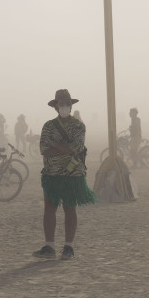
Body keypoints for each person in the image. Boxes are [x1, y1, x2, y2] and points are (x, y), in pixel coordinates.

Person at [33, 89, 96, 260]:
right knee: (49, 209)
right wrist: (65, 149)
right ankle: (49, 246)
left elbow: (76, 148)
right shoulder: (48, 125)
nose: (65, 107)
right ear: (56, 106)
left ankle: (69, 247)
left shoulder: (79, 126)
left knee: (70, 208)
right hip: (51, 175)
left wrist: (55, 144)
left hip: (72, 175)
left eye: (67, 104)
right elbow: (44, 150)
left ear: (71, 106)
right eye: (62, 104)